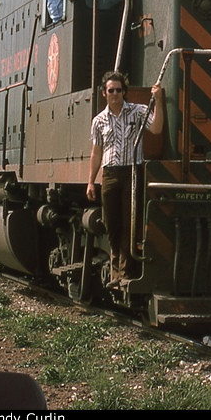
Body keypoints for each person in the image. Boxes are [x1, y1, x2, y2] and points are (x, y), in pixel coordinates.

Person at [86, 71, 164, 286]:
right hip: (110, 174)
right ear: (104, 93)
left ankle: (124, 274)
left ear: (124, 92)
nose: (115, 94)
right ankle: (115, 272)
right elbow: (96, 152)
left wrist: (158, 101)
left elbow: (156, 128)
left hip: (131, 172)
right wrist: (91, 181)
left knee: (129, 223)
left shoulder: (138, 112)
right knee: (112, 224)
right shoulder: (99, 121)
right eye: (111, 90)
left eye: (119, 90)